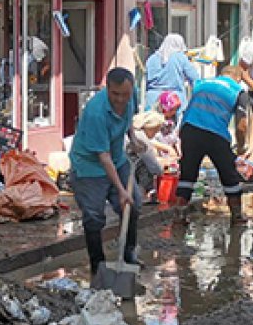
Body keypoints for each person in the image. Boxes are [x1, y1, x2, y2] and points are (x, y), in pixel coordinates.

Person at [70, 68, 148, 275]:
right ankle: (98, 266)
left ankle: (129, 254)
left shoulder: (131, 96)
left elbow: (127, 117)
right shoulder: (96, 112)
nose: (120, 99)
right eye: (115, 94)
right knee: (94, 216)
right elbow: (103, 157)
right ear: (107, 89)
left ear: (131, 89)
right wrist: (121, 190)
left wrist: (132, 138)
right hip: (89, 166)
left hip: (117, 158)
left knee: (134, 205)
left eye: (125, 94)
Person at [175, 64, 252, 223]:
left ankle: (179, 214)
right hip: (215, 133)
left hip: (189, 129)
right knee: (228, 173)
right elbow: (242, 124)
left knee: (188, 172)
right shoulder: (238, 91)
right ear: (238, 77)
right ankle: (237, 215)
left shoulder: (201, 83)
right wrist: (241, 145)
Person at [144, 34, 200, 111]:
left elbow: (146, 79)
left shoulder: (152, 59)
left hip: (153, 100)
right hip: (174, 100)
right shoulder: (180, 57)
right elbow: (195, 79)